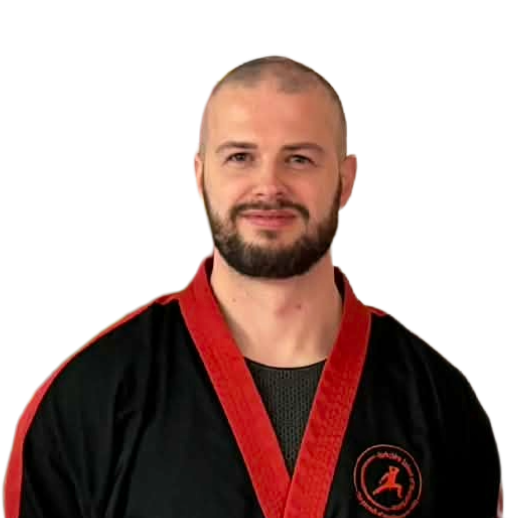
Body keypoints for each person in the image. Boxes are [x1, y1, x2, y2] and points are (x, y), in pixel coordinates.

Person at [2, 54, 505, 518]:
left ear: (347, 180)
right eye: (240, 157)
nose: (269, 187)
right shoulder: (88, 397)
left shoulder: (441, 403)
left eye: (299, 159)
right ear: (199, 174)